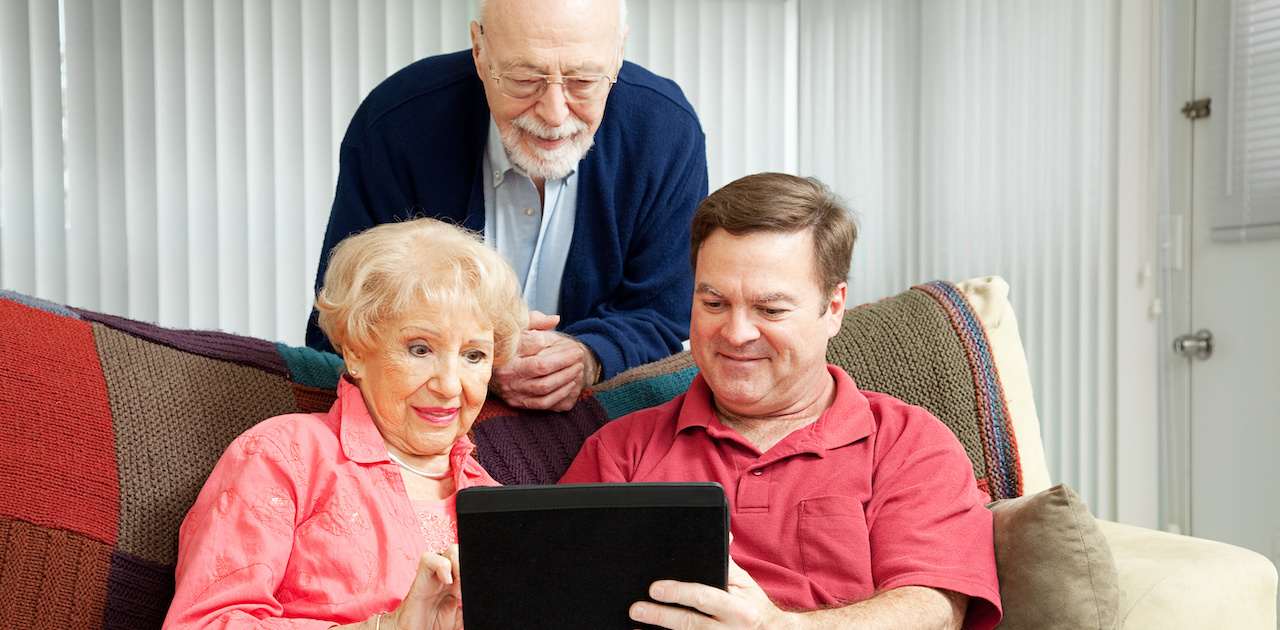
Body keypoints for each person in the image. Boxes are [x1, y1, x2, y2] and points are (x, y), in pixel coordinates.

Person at [560, 173, 1003, 629]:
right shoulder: (620, 452)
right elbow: (553, 598)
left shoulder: (908, 443)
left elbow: (934, 611)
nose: (735, 334)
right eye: (713, 303)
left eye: (770, 310)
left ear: (833, 308)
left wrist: (781, 629)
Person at [307, 0, 708, 412]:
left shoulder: (667, 131)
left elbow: (661, 313)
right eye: (523, 78)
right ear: (480, 51)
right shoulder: (396, 124)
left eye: (583, 80)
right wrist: (476, 356)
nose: (554, 115)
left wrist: (591, 357)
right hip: (425, 417)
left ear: (618, 52)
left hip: (599, 416)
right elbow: (344, 320)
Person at [164, 218, 527, 629]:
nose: (449, 385)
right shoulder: (285, 456)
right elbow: (202, 623)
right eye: (420, 348)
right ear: (356, 351)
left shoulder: (499, 502)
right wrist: (385, 628)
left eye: (474, 356)